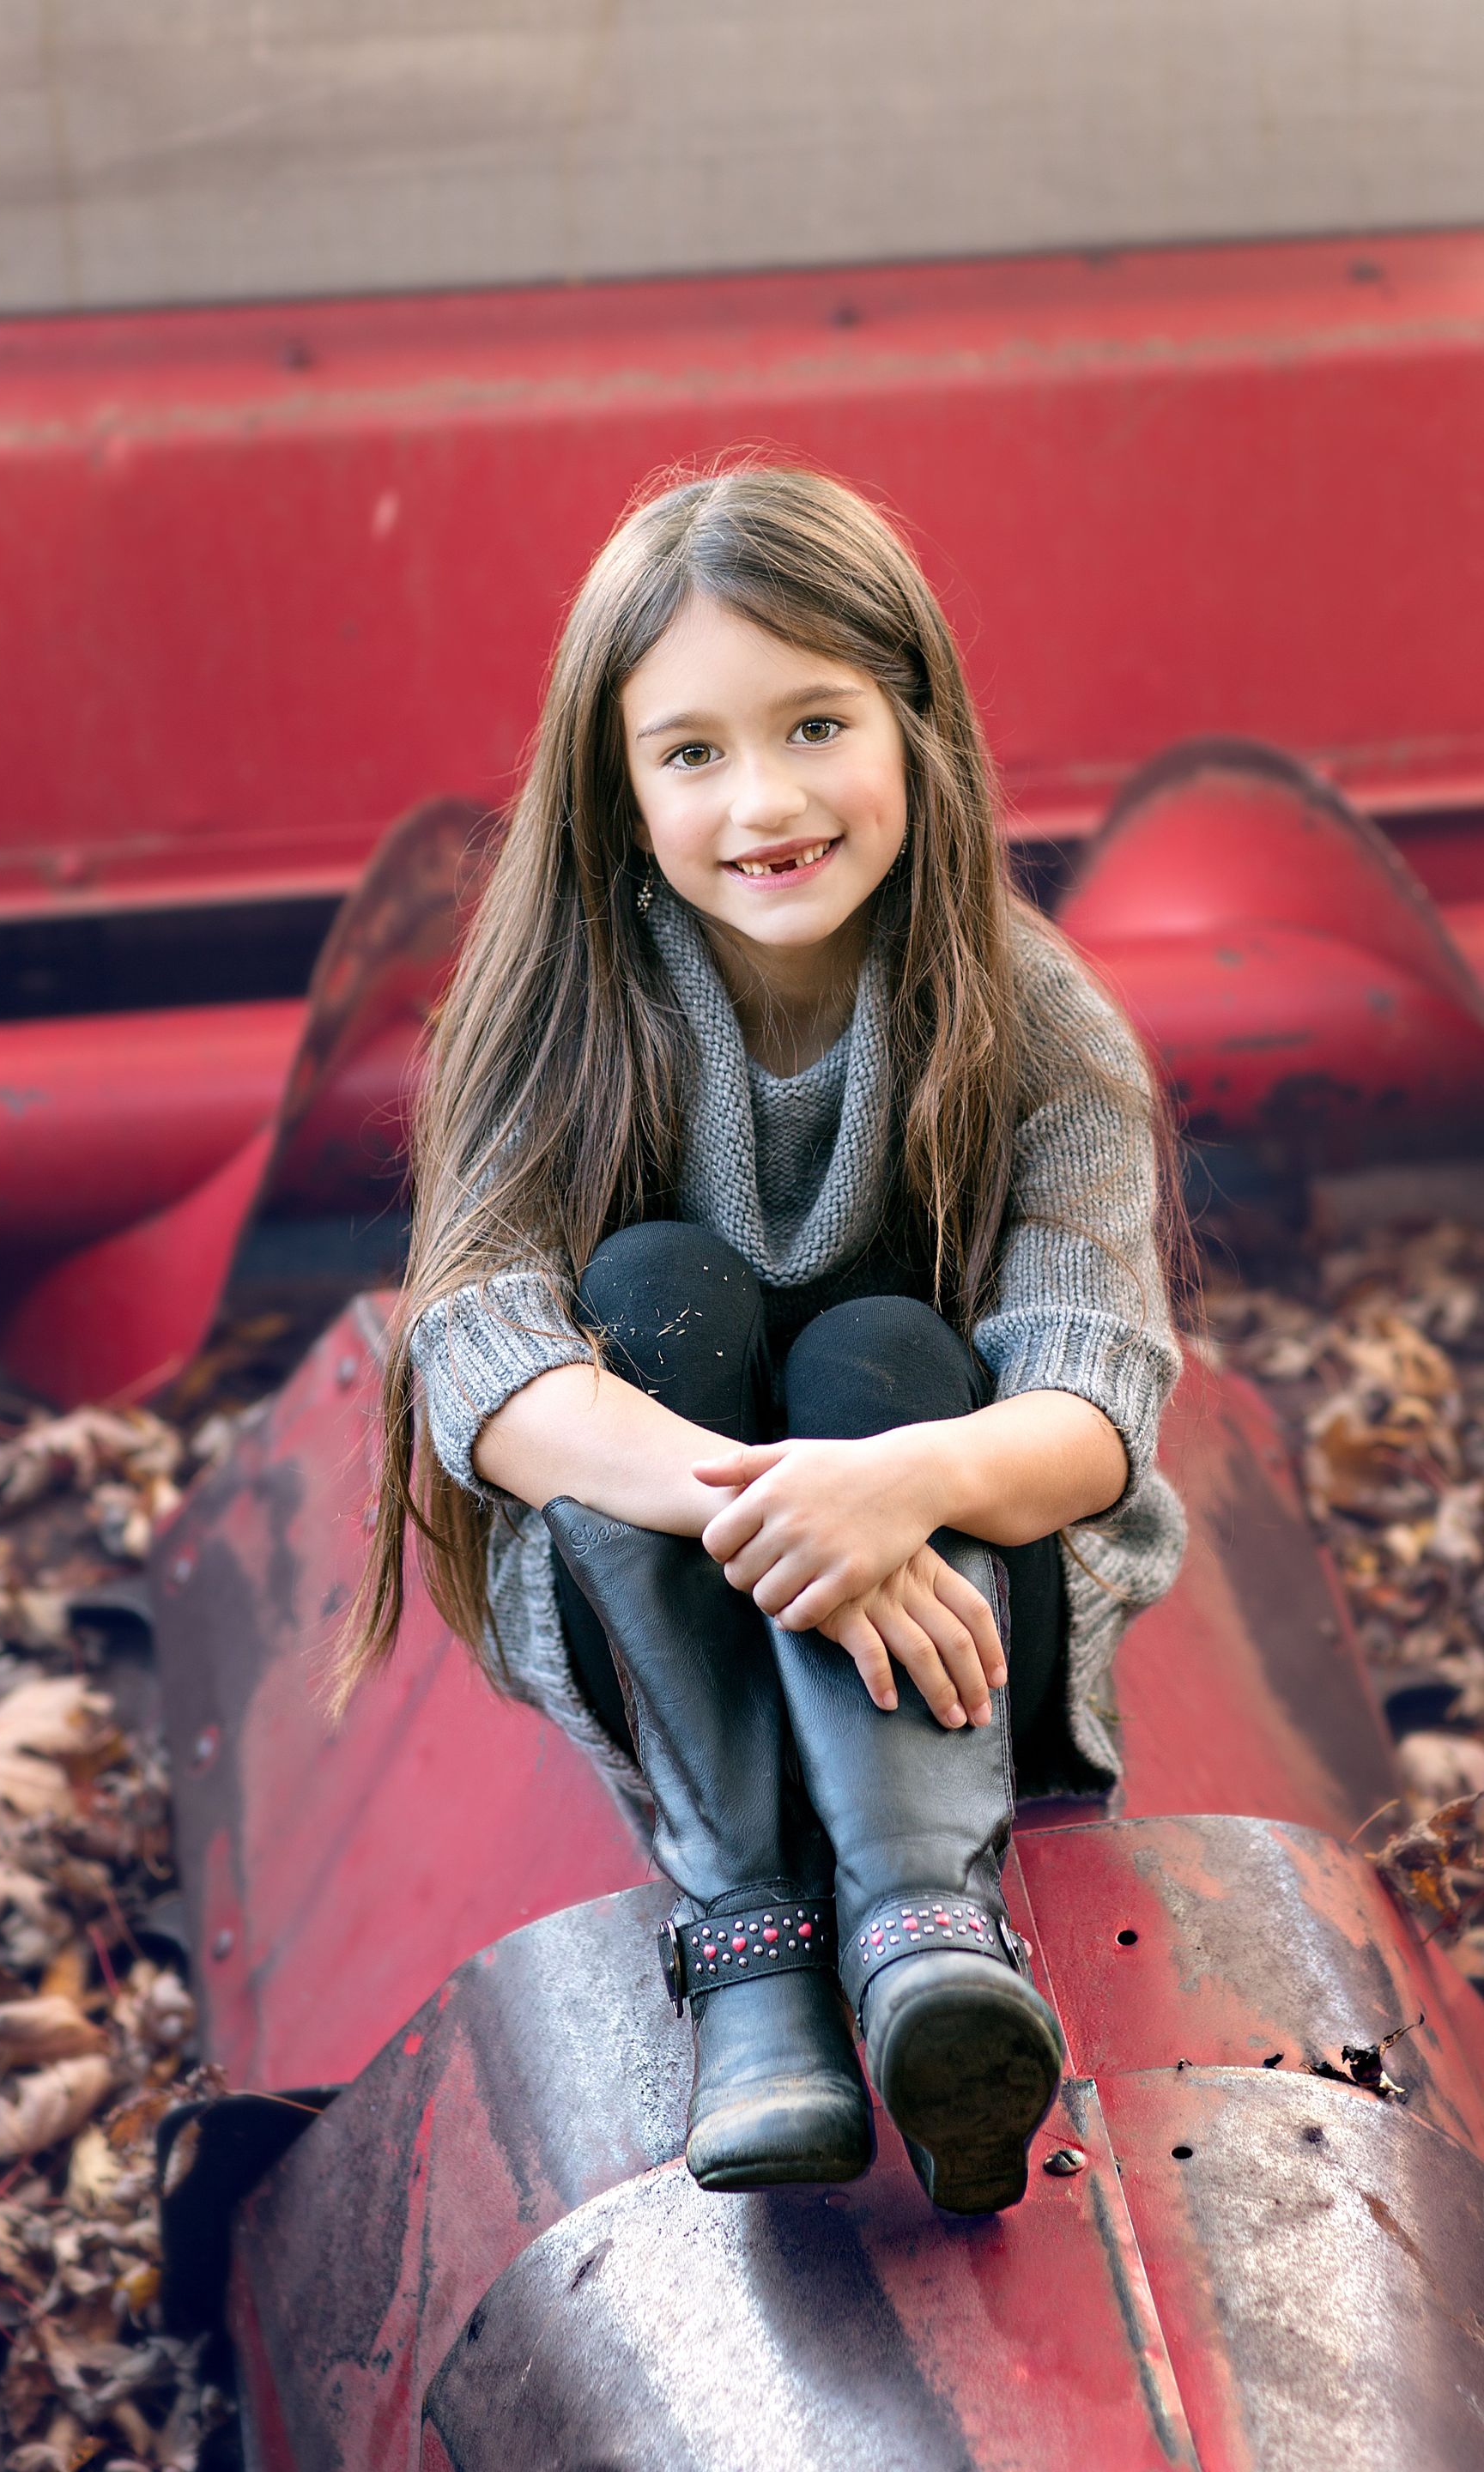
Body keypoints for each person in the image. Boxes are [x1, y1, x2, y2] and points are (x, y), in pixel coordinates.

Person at [338, 464, 1187, 2216]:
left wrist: (900, 1484)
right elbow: (477, 1356)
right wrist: (792, 1515)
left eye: (816, 726)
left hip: (959, 1602)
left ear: (918, 728)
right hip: (665, 1606)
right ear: (618, 785)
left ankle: (921, 1930)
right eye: (695, 751)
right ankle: (749, 1934)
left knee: (884, 1344)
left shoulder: (1041, 1024)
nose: (766, 800)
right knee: (653, 1285)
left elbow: (1095, 1397)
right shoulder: (564, 1012)